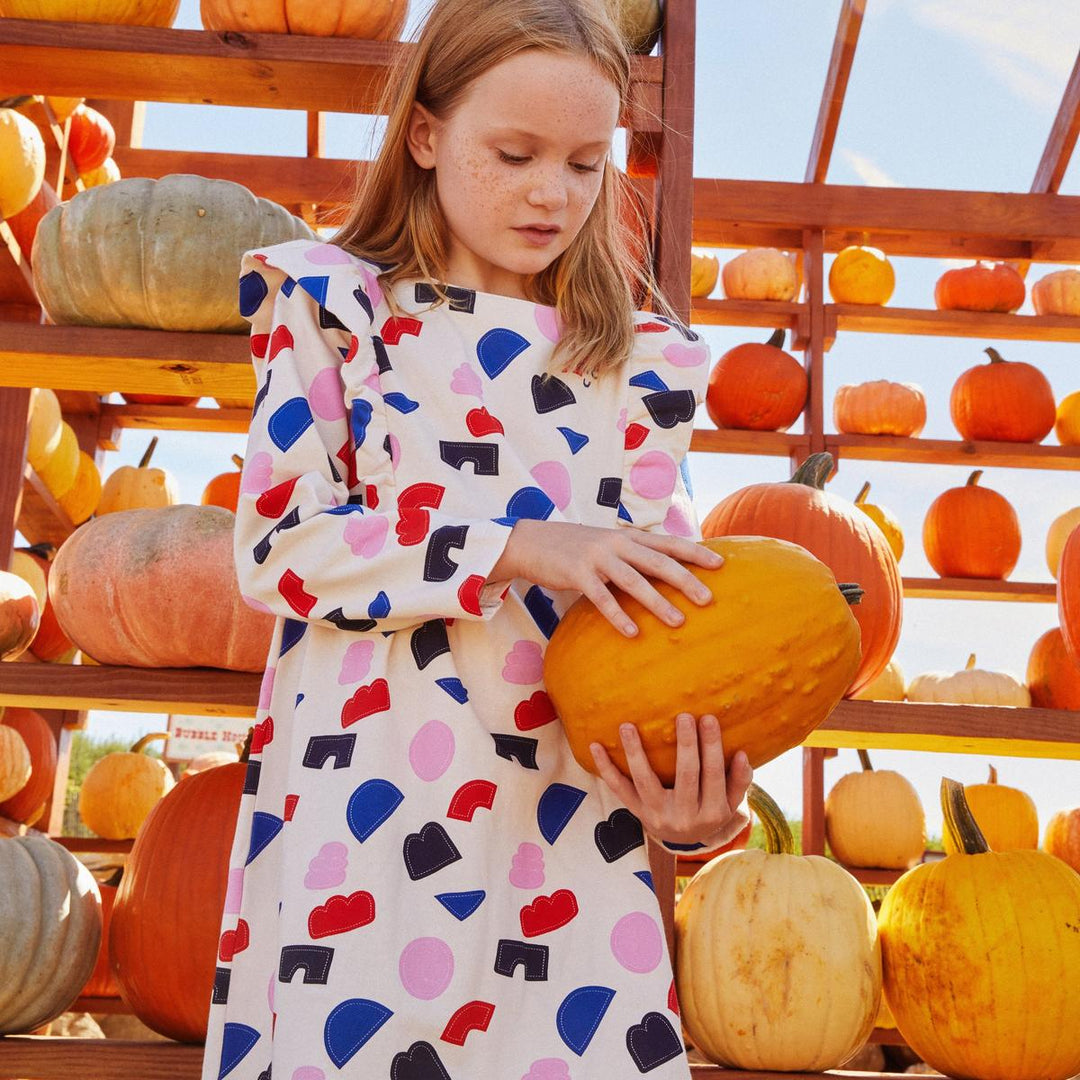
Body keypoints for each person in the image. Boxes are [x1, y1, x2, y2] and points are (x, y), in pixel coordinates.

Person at [203, 2, 753, 1077]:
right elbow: (279, 545)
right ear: (425, 134)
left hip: (566, 849)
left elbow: (673, 640)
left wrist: (695, 812)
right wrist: (518, 546)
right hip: (362, 833)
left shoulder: (639, 371)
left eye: (586, 164)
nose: (554, 193)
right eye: (515, 155)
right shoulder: (335, 310)